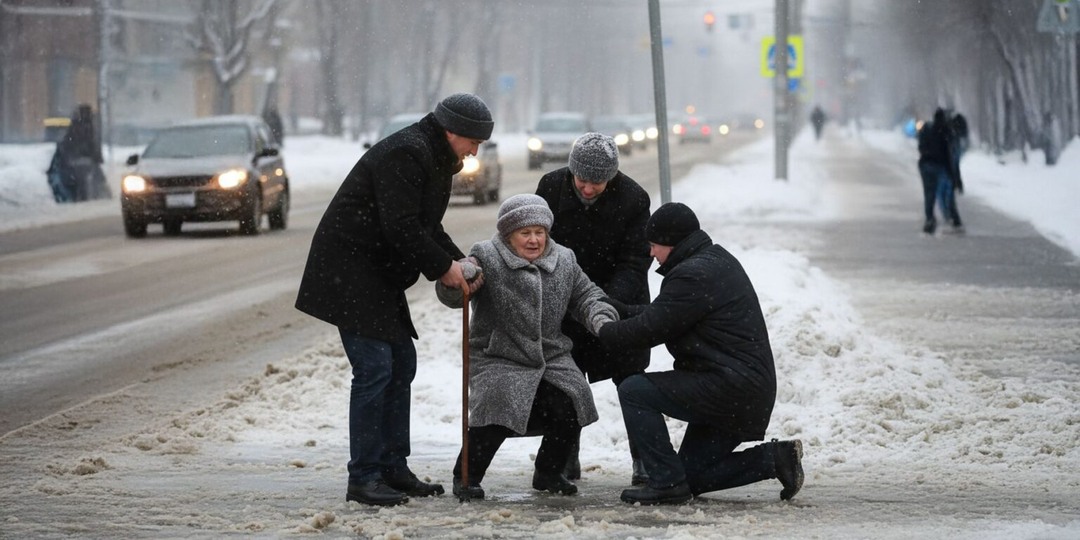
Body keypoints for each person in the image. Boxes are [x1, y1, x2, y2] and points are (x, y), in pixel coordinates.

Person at [295, 92, 494, 507]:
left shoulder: (434, 156)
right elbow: (401, 227)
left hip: (376, 273)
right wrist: (444, 268)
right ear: (453, 131)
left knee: (401, 364)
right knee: (374, 370)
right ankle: (364, 476)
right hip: (349, 269)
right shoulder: (407, 153)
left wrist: (459, 260)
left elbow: (426, 225)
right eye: (474, 141)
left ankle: (392, 467)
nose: (476, 151)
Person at [597, 202, 804, 506]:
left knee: (634, 390)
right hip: (740, 390)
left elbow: (651, 329)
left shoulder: (692, 275)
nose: (651, 253)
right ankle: (775, 459)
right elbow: (667, 314)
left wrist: (601, 330)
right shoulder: (712, 260)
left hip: (729, 388)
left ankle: (665, 483)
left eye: (654, 245)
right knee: (690, 478)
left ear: (672, 242)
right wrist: (622, 310)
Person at [435, 194, 619, 500]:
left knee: (572, 400)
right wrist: (459, 281)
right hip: (498, 355)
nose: (534, 240)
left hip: (550, 355)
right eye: (525, 233)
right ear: (509, 235)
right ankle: (466, 476)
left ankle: (548, 472)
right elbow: (456, 297)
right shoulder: (486, 256)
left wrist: (602, 319)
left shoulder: (564, 260)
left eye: (540, 232)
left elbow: (587, 296)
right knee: (496, 404)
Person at [534, 132, 652, 486]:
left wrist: (604, 305)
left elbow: (634, 261)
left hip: (618, 305)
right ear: (571, 171)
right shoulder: (551, 188)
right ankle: (564, 458)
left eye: (597, 182)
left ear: (612, 177)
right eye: (582, 179)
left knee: (632, 382)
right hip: (562, 306)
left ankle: (644, 459)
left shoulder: (633, 198)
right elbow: (537, 245)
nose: (587, 188)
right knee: (565, 384)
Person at [47, 104, 109, 202]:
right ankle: (100, 195)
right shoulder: (86, 128)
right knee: (95, 177)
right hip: (77, 162)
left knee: (87, 179)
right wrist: (96, 157)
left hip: (73, 163)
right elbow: (90, 145)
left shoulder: (76, 127)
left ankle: (83, 197)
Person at [916, 108, 958, 235]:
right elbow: (948, 154)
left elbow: (920, 146)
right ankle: (949, 217)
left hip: (925, 165)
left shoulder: (926, 128)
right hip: (938, 166)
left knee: (928, 193)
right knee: (941, 192)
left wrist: (926, 154)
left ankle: (930, 218)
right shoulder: (944, 131)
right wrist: (952, 173)